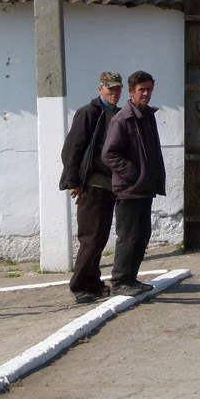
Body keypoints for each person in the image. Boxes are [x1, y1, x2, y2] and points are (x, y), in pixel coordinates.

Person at [59, 71, 122, 304]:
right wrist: (73, 181)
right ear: (100, 89)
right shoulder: (89, 112)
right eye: (110, 89)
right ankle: (79, 286)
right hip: (92, 183)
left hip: (109, 184)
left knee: (100, 237)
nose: (114, 93)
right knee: (91, 237)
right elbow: (72, 148)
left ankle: (93, 282)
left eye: (117, 89)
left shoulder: (117, 113)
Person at [101, 70, 166, 296]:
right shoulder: (122, 119)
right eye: (142, 90)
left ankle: (131, 278)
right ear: (131, 92)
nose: (146, 94)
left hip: (144, 188)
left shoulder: (147, 116)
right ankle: (120, 281)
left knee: (142, 235)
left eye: (149, 89)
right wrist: (134, 175)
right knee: (128, 236)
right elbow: (109, 154)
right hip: (129, 189)